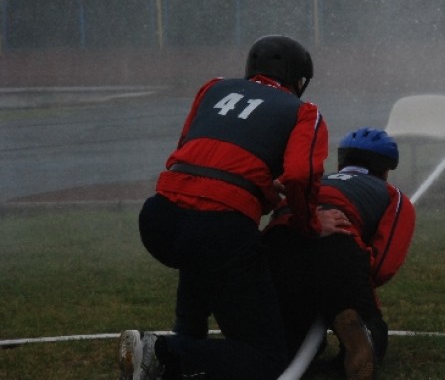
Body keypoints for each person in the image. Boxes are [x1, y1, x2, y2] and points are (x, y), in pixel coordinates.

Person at [118, 34, 334, 380]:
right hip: (218, 227)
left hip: (160, 216)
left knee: (200, 249)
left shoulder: (214, 88)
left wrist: (258, 189)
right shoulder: (304, 112)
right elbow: (300, 174)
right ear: (297, 79)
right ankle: (160, 350)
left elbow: (190, 152)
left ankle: (177, 349)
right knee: (267, 359)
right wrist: (309, 224)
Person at [263, 126, 416, 380]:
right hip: (337, 242)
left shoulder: (314, 182)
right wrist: (351, 284)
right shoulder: (393, 196)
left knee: (291, 331)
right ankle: (361, 330)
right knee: (368, 322)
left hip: (278, 244)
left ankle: (284, 347)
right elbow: (383, 265)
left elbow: (279, 217)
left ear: (342, 161)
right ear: (385, 169)